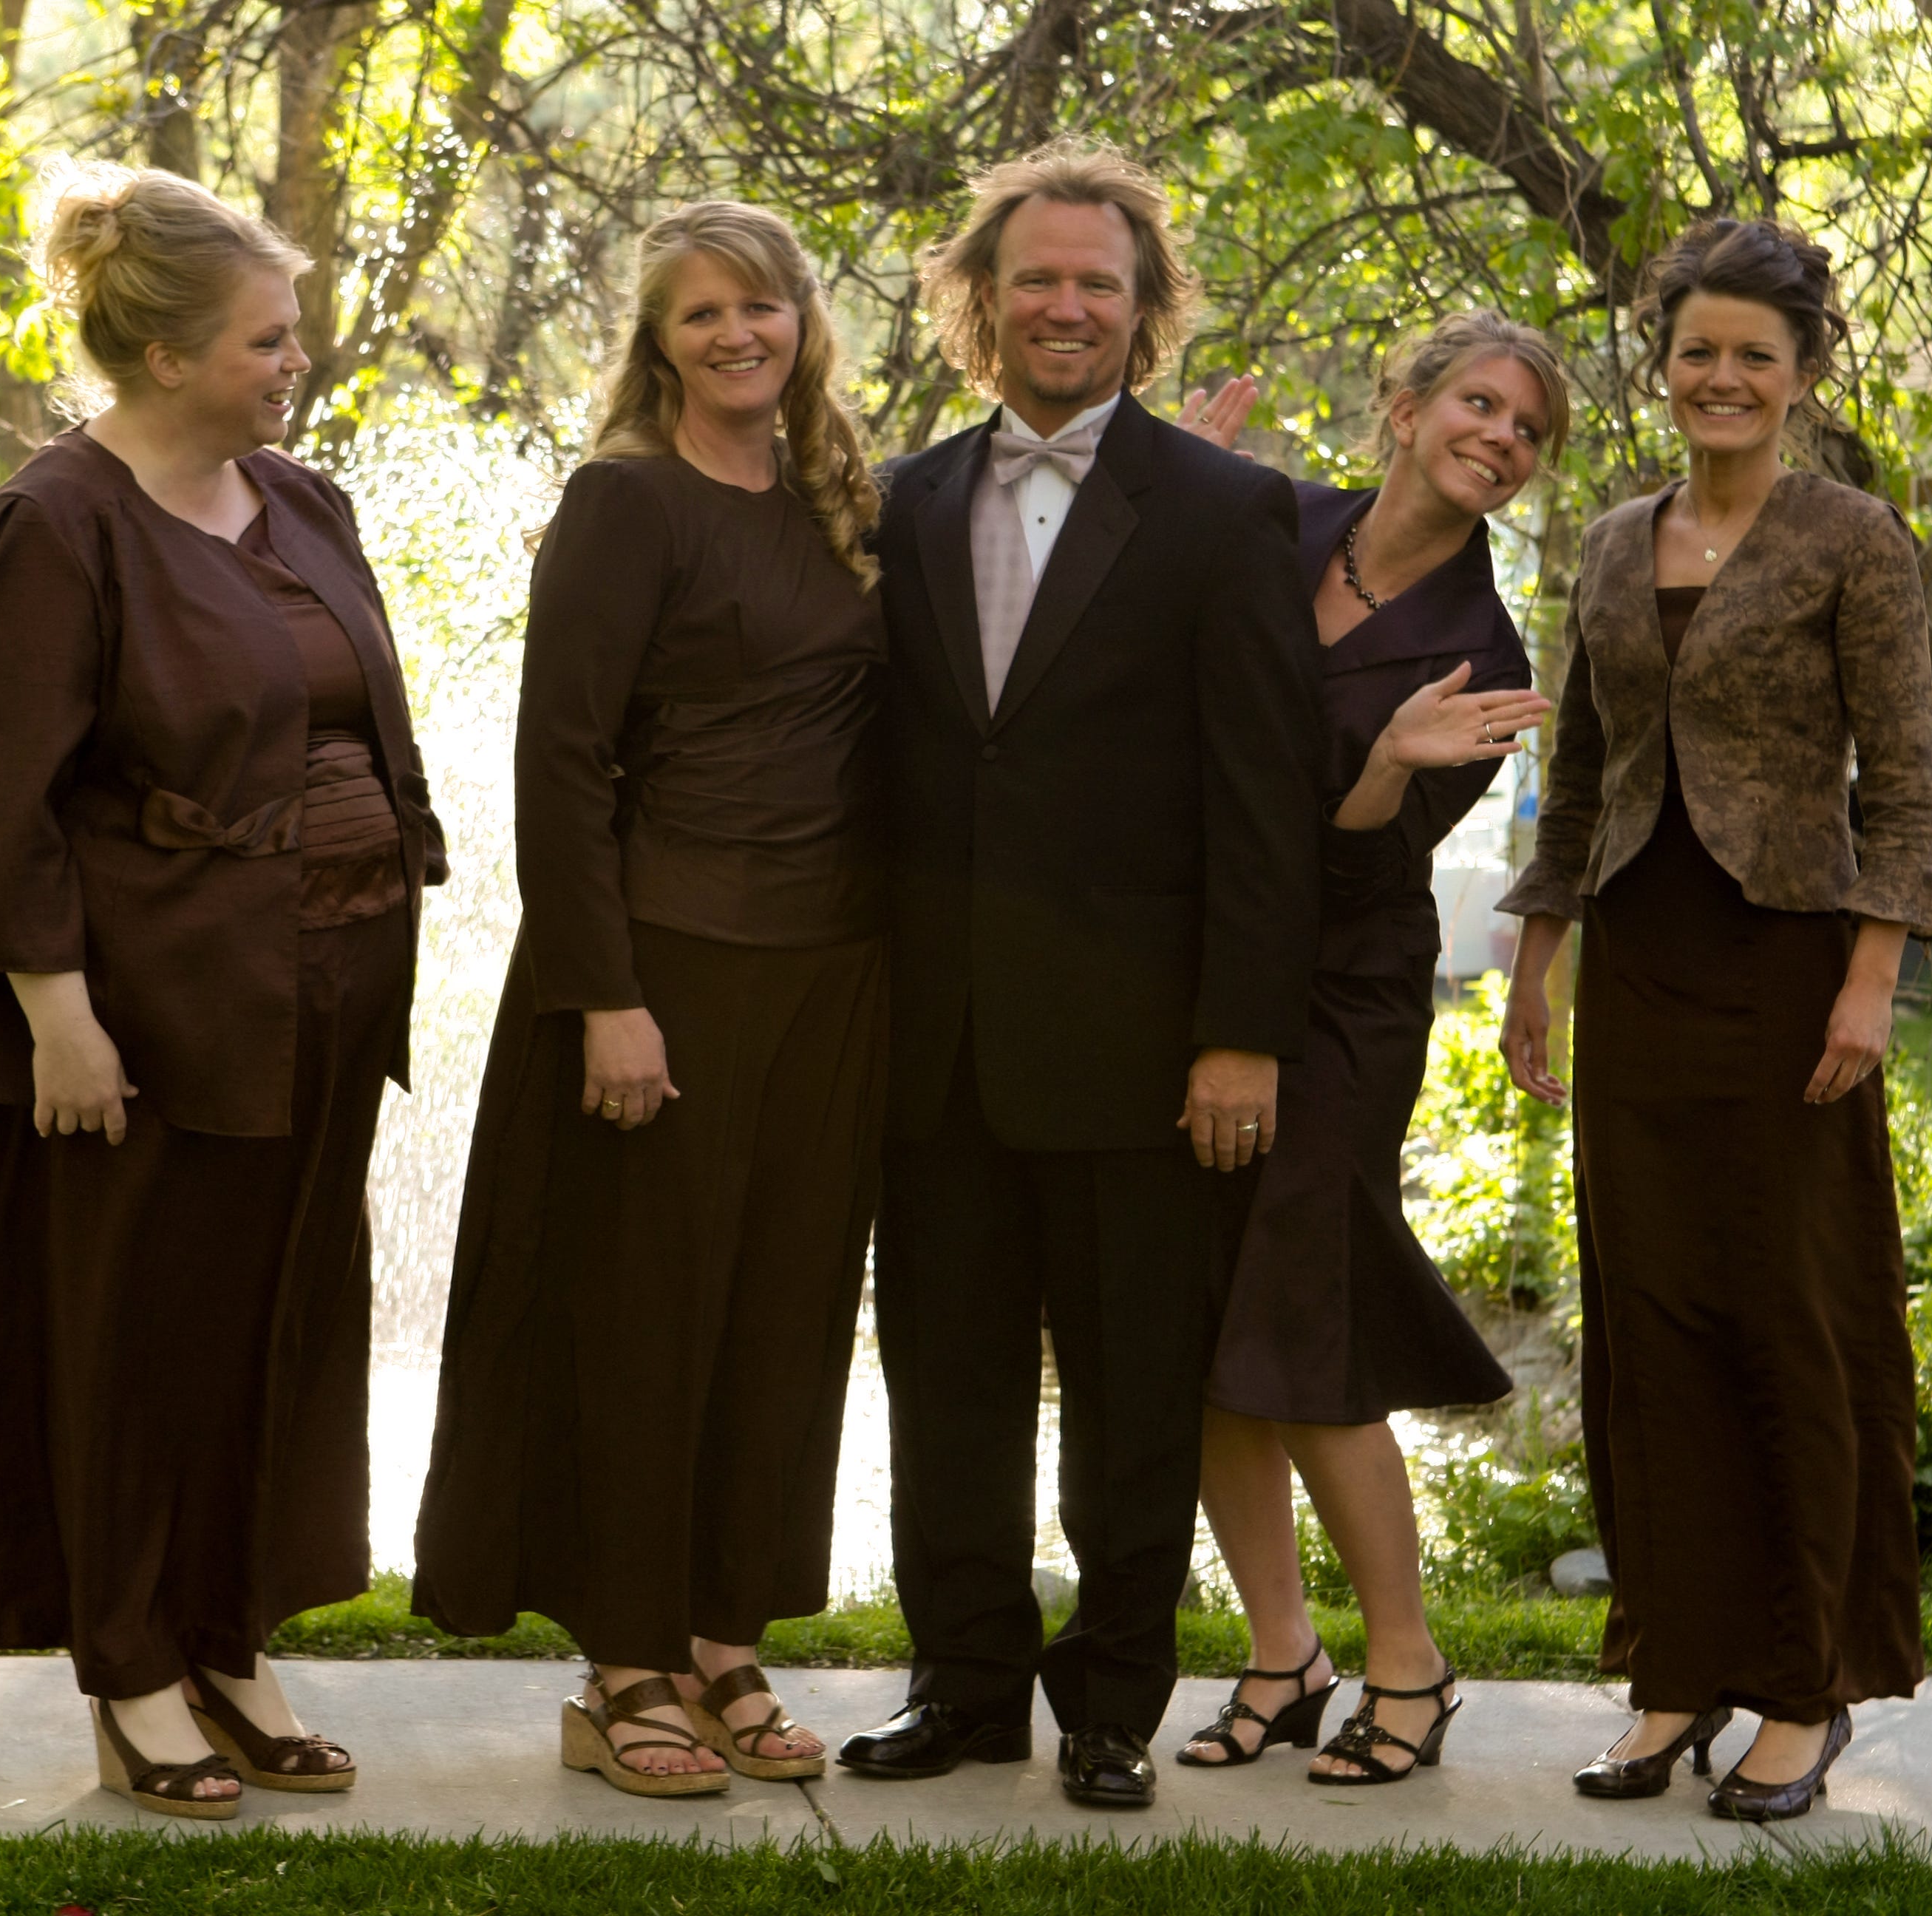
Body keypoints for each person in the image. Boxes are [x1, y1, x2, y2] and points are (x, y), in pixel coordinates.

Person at [0, 163, 446, 1818]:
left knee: (269, 1334)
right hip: (137, 1018)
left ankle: (229, 1636)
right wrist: (59, 1015)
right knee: (132, 1344)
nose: (294, 360)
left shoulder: (303, 504)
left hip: (318, 997)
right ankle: (131, 1666)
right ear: (160, 358)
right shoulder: (51, 525)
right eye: (264, 340)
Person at [832, 139, 1324, 1812]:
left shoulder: (1231, 510)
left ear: (1145, 310)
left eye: (1097, 283)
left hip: (1143, 1053)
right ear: (980, 299)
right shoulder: (900, 501)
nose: (1065, 306)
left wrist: (1241, 1037)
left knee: (1130, 1399)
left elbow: (1267, 801)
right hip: (940, 1047)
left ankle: (1113, 1700)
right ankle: (962, 1686)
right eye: (1034, 278)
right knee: (947, 1388)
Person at [1494, 217, 1932, 1821]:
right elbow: (1576, 773)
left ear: (1800, 374)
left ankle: (1803, 1684)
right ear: (1667, 363)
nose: (1721, 377)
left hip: (1788, 975)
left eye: (1752, 357)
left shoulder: (1853, 537)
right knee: (1654, 1324)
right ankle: (1674, 1676)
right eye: (1698, 350)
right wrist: (1532, 960)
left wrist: (1868, 976)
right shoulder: (1616, 541)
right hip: (1637, 963)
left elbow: (1907, 780)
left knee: (1795, 1318)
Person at [411, 202, 888, 1800]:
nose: (738, 336)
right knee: (645, 1320)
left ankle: (725, 1639)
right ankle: (625, 1662)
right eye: (702, 317)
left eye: (761, 307)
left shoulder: (844, 506)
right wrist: (605, 997)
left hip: (833, 980)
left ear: (805, 320)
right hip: (664, 966)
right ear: (661, 343)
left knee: (781, 1315)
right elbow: (561, 762)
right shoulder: (626, 501)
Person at [1166, 314, 1564, 1786]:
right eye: (1478, 402)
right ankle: (1283, 1656)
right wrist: (1165, 498)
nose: (1501, 438)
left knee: (1306, 1322)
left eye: (1528, 430)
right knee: (1212, 1334)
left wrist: (1391, 763)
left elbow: (1355, 873)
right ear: (1402, 407)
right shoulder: (1269, 527)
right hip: (1199, 986)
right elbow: (1148, 674)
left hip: (1341, 999)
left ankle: (1410, 1665)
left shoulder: (1483, 653)